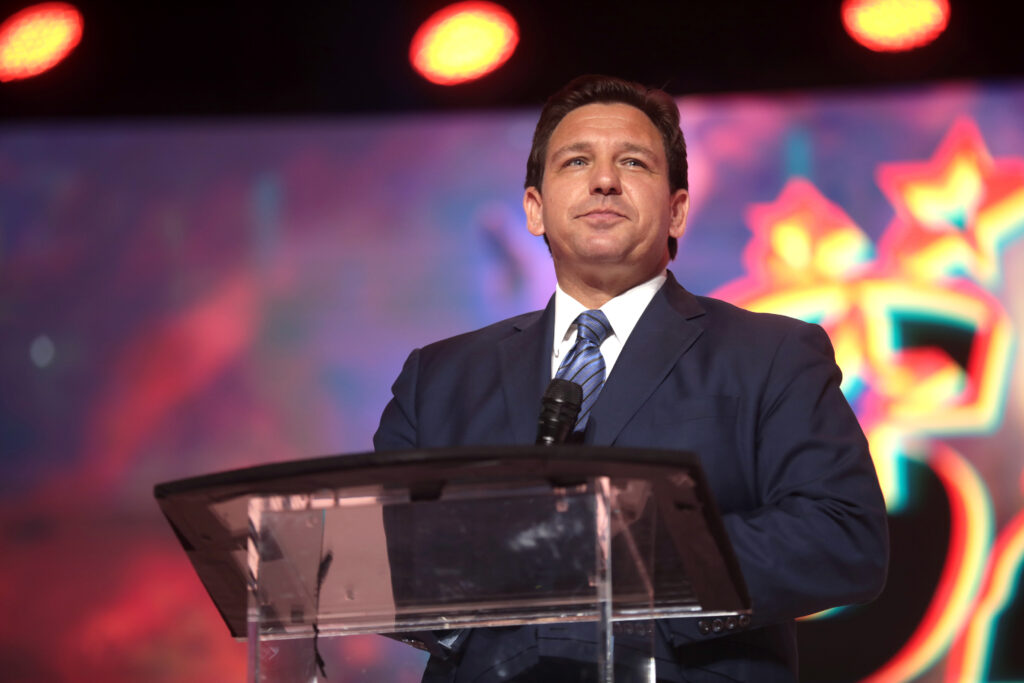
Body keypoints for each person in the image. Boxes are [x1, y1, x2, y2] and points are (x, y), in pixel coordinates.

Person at [375, 75, 888, 682]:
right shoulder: (439, 377)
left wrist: (625, 557)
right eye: (576, 161)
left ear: (676, 210)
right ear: (535, 210)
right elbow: (382, 564)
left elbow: (842, 537)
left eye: (634, 162)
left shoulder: (770, 353)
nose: (604, 180)